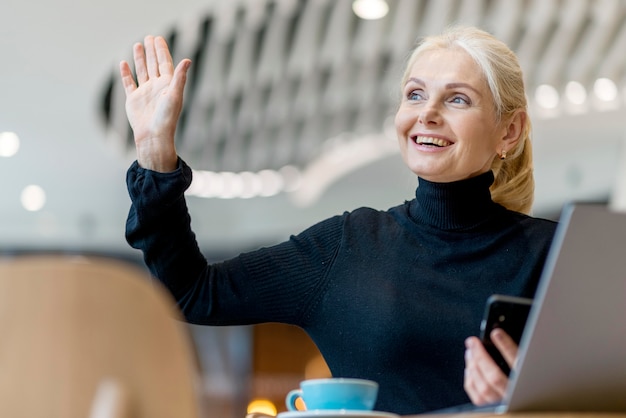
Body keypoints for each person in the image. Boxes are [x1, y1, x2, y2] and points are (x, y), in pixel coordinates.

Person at [119, 25, 557, 415]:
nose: (427, 113)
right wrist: (155, 155)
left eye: (457, 98)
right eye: (415, 94)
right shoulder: (349, 246)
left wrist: (538, 408)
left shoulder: (556, 257)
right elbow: (192, 292)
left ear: (509, 131)